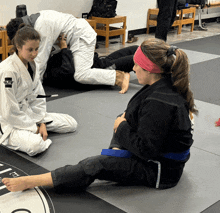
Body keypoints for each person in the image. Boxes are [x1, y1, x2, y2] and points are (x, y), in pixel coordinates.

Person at [2, 38, 197, 192]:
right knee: (123, 119)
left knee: (95, 165)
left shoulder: (160, 102)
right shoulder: (163, 84)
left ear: (150, 69)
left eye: (137, 65)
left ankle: (32, 181)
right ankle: (118, 153)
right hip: (154, 151)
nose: (134, 68)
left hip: (159, 170)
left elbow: (147, 150)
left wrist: (122, 127)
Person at [6, 10, 130, 94]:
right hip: (74, 38)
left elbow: (40, 62)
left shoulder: (41, 26)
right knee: (100, 63)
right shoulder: (35, 20)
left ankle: (119, 77)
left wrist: (31, 90)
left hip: (81, 36)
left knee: (81, 74)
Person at [0, 24, 77, 157]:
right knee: (36, 145)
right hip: (7, 121)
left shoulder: (32, 64)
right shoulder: (8, 71)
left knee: (71, 123)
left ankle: (32, 131)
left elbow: (38, 97)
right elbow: (9, 111)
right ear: (18, 47)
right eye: (30, 50)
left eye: (36, 49)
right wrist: (35, 128)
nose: (34, 54)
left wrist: (40, 121)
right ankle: (29, 134)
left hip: (29, 115)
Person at [43, 33, 138, 88]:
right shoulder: (49, 73)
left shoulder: (51, 57)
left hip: (100, 61)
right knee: (135, 59)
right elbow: (68, 70)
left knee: (135, 48)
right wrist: (64, 48)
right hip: (101, 70)